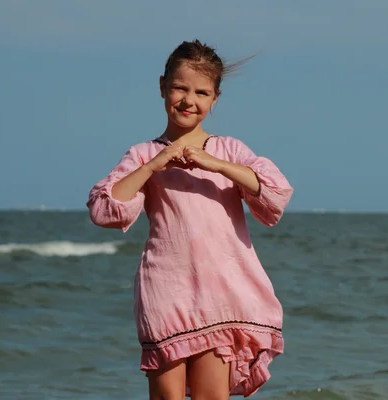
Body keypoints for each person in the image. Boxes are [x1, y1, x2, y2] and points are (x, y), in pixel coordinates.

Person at [87, 39, 293, 399]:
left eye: (201, 92)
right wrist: (155, 165)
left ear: (214, 100)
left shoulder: (230, 150)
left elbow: (274, 194)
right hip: (166, 292)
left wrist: (214, 163)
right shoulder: (142, 154)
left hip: (221, 294)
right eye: (180, 88)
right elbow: (105, 209)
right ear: (162, 87)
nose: (188, 100)